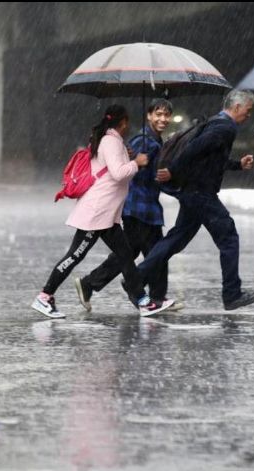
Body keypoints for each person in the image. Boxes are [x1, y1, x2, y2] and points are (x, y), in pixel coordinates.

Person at [31, 105, 174, 319]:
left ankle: (144, 302)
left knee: (126, 256)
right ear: (123, 122)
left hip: (108, 214)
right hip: (97, 213)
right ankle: (44, 296)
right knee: (75, 255)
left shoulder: (111, 141)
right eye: (127, 122)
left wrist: (128, 157)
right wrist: (136, 162)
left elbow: (110, 168)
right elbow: (118, 174)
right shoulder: (111, 141)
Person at [135, 89, 254, 311]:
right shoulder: (226, 127)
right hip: (201, 193)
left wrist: (238, 165)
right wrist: (173, 171)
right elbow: (195, 148)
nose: (248, 116)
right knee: (229, 237)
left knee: (177, 239)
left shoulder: (216, 122)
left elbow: (212, 159)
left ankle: (135, 277)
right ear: (237, 107)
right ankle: (232, 294)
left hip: (193, 192)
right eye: (248, 111)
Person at [75, 99, 182, 312]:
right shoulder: (144, 141)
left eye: (166, 115)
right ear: (149, 115)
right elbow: (132, 170)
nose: (163, 119)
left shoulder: (154, 140)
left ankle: (90, 284)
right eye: (158, 114)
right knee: (156, 252)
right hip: (138, 207)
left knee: (131, 254)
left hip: (145, 207)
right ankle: (153, 296)